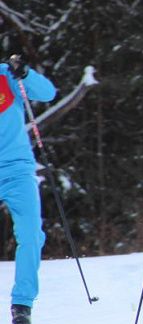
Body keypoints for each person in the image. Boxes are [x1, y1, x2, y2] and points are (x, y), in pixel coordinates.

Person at [0, 55, 55, 324]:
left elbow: (48, 93)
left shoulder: (6, 75)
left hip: (16, 169)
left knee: (31, 235)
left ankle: (22, 304)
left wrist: (26, 74)